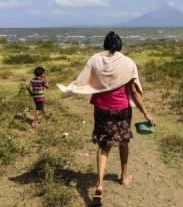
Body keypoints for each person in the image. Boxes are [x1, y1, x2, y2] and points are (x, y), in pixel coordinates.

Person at [57, 31, 154, 206]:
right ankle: (124, 176)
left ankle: (99, 185)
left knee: (104, 145)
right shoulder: (128, 63)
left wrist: (71, 87)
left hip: (101, 108)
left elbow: (84, 79)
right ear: (120, 45)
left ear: (105, 44)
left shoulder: (95, 60)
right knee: (123, 142)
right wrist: (146, 113)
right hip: (121, 109)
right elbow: (134, 91)